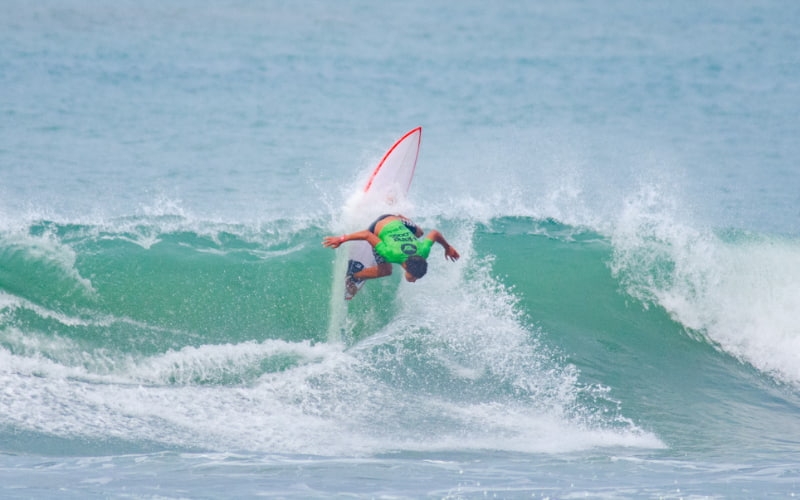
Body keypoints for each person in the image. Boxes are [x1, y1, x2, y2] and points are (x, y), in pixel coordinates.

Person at [322, 214, 460, 294]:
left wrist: (447, 247)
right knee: (386, 270)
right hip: (377, 226)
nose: (414, 281)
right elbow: (366, 235)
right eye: (413, 277)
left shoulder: (423, 252)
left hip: (395, 219)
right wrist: (340, 240)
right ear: (406, 266)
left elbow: (434, 233)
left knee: (419, 233)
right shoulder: (390, 253)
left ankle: (401, 215)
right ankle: (353, 276)